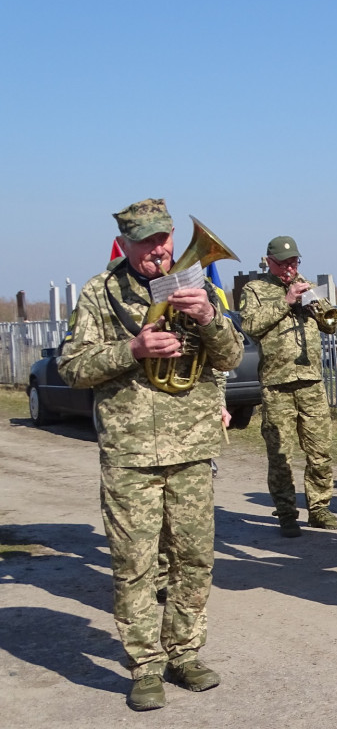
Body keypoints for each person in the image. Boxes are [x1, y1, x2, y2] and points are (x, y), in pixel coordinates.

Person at [58, 198, 243, 711]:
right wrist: (132, 352)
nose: (160, 252)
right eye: (148, 243)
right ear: (127, 243)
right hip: (131, 451)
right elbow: (71, 367)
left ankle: (184, 652)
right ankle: (145, 665)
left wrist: (209, 317)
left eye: (165, 240)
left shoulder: (195, 284)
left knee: (193, 558)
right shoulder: (100, 292)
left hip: (191, 445)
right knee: (134, 563)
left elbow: (229, 356)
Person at [239, 236, 337, 538]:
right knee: (280, 454)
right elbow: (249, 326)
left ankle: (320, 508)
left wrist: (314, 304)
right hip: (276, 383)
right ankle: (286, 513)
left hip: (311, 380)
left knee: (320, 450)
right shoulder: (255, 290)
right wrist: (285, 302)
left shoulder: (306, 285)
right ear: (269, 261)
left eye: (294, 262)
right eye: (283, 263)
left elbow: (331, 324)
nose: (289, 268)